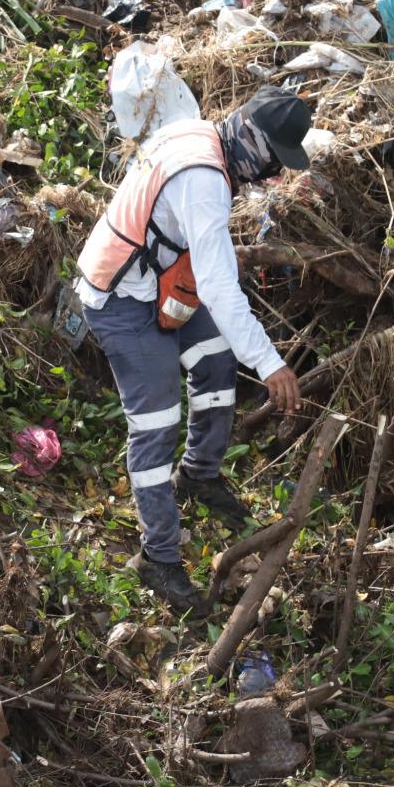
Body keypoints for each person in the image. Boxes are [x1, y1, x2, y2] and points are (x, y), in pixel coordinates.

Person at [75, 87, 311, 613]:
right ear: (253, 141)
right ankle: (157, 556)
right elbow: (221, 288)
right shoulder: (204, 180)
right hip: (121, 295)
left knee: (216, 363)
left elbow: (211, 263)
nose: (273, 176)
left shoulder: (205, 139)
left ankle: (199, 476)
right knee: (156, 421)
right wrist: (272, 364)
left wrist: (252, 352)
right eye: (274, 161)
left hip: (162, 282)